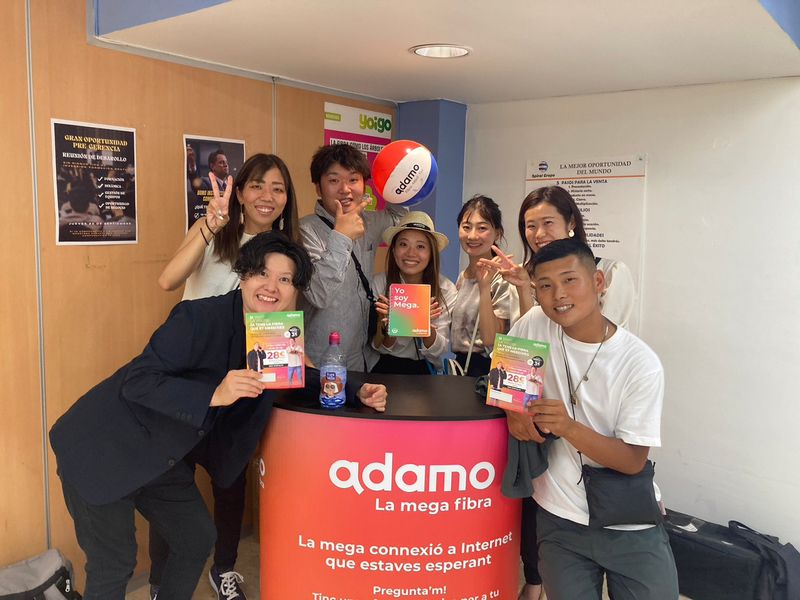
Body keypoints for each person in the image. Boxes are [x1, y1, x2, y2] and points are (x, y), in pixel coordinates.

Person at [50, 232, 388, 600]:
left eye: (285, 279)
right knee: (114, 564)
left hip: (163, 456)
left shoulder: (275, 331)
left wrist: (353, 390)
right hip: (105, 445)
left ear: (297, 290)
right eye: (261, 273)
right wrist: (214, 394)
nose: (271, 287)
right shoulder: (196, 317)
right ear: (243, 276)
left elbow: (295, 377)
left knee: (196, 538)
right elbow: (140, 381)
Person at [155, 154, 300, 600]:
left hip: (245, 378)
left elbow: (282, 322)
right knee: (170, 480)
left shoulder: (285, 252)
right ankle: (160, 582)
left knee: (231, 480)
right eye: (257, 185)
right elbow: (168, 281)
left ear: (287, 199)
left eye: (278, 188)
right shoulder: (214, 230)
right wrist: (209, 225)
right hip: (191, 377)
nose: (267, 196)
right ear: (239, 192)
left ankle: (224, 569)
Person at [480, 185, 636, 600]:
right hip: (545, 428)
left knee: (603, 527)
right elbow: (517, 349)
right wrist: (514, 410)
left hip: (595, 426)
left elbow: (598, 346)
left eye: (547, 222)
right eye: (529, 226)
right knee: (547, 522)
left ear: (571, 223)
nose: (538, 233)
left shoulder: (611, 272)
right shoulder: (531, 281)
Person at [504, 238, 677, 600]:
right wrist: (514, 412)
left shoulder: (639, 363)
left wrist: (567, 427)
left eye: (570, 280)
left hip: (629, 522)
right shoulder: (533, 324)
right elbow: (507, 381)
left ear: (598, 282)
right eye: (545, 286)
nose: (558, 295)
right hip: (558, 519)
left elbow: (632, 461)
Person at [299, 143, 407, 370]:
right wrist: (341, 236)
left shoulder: (369, 222)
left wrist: (393, 179)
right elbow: (319, 294)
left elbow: (399, 219)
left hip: (364, 359)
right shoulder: (304, 231)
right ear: (318, 188)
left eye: (353, 179)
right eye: (334, 180)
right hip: (321, 363)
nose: (345, 189)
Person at [368, 211, 457, 374]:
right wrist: (390, 325)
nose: (411, 253)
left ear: (431, 253)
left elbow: (439, 349)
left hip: (426, 370)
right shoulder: (379, 284)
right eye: (403, 244)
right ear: (393, 250)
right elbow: (378, 346)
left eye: (420, 246)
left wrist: (425, 326)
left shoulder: (446, 289)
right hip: (385, 368)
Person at [450, 195, 518, 376]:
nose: (472, 236)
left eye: (482, 228)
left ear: (498, 233)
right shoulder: (463, 276)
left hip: (487, 370)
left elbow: (491, 340)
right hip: (460, 367)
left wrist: (484, 287)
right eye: (466, 227)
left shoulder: (504, 278)